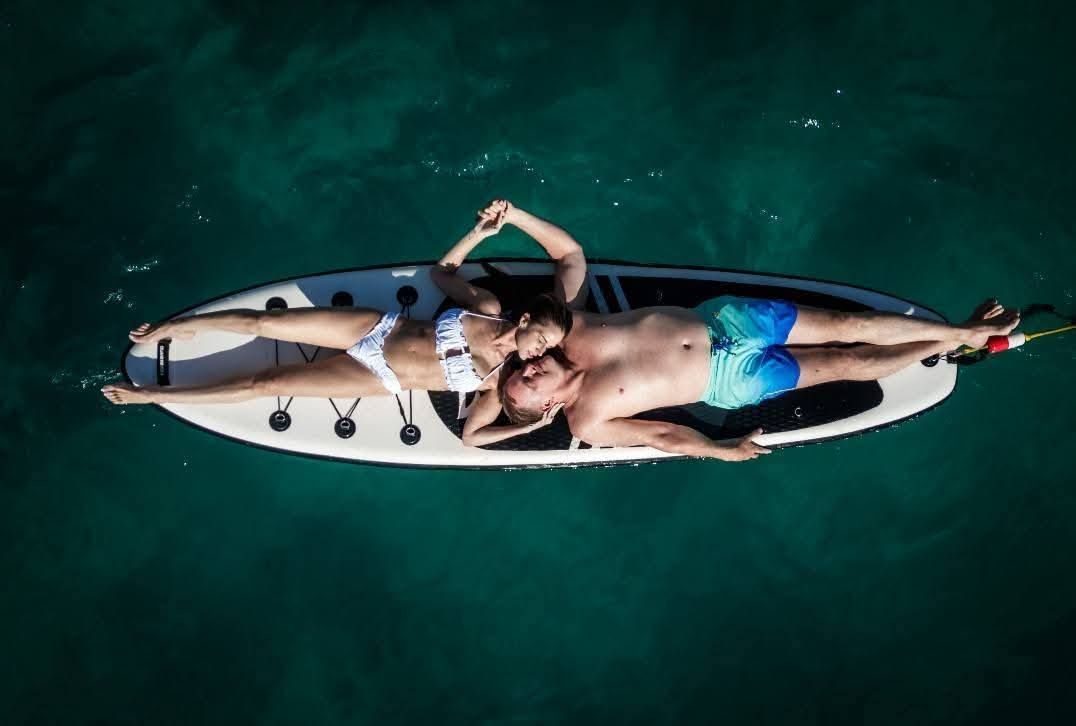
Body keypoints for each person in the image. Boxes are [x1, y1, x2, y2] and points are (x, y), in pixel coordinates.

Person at [100, 201, 579, 406]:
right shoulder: (485, 308)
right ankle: (176, 326)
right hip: (377, 328)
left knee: (266, 384)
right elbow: (441, 274)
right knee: (264, 321)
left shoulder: (499, 379)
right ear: (525, 319)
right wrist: (479, 233)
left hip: (379, 377)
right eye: (542, 340)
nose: (540, 353)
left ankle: (154, 395)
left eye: (546, 350)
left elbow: (505, 419)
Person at [495, 295, 1020, 461]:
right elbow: (663, 435)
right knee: (848, 362)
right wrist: (722, 451)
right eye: (530, 382)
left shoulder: (565, 331)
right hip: (731, 379)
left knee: (846, 325)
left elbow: (562, 266)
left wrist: (501, 345)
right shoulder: (587, 420)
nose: (532, 368)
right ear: (546, 407)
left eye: (524, 368)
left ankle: (964, 331)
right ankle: (953, 342)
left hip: (727, 321)